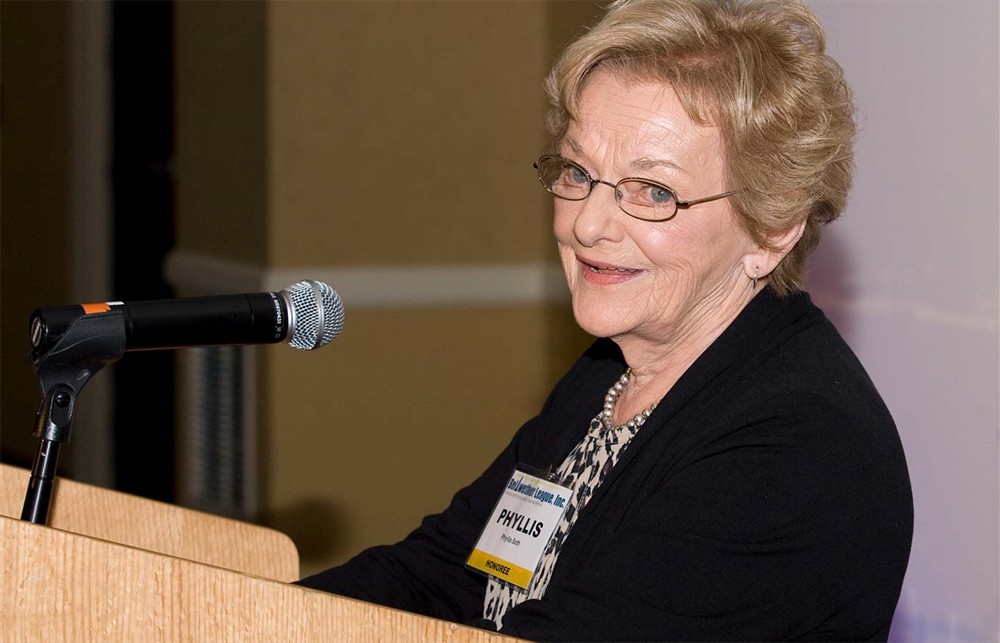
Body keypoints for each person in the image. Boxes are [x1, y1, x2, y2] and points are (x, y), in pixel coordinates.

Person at [298, 0, 913, 640]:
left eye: (653, 191)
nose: (586, 223)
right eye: (579, 172)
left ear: (772, 227)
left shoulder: (798, 448)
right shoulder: (609, 373)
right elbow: (445, 577)